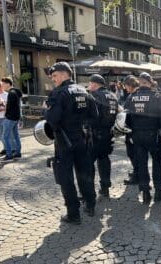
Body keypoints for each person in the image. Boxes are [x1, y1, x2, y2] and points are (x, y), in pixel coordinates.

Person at [45, 62, 99, 223]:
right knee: (85, 172)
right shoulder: (84, 91)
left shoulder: (58, 93)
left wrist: (45, 110)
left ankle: (73, 213)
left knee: (65, 177)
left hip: (64, 141)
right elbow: (94, 116)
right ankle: (90, 204)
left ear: (64, 74)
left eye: (54, 76)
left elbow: (53, 120)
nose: (53, 80)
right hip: (83, 139)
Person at [125, 72, 161, 204]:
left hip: (137, 136)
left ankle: (145, 193)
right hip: (153, 135)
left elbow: (126, 117)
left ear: (139, 83)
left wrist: (131, 134)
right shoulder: (158, 97)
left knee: (142, 163)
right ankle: (159, 191)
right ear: (150, 83)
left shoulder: (131, 97)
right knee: (158, 162)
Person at [89, 74, 118, 198]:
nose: (88, 87)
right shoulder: (113, 95)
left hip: (95, 133)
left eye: (89, 84)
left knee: (88, 163)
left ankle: (89, 191)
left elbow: (91, 115)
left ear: (95, 84)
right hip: (108, 132)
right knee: (104, 159)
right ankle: (105, 187)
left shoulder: (95, 96)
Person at [122, 75, 140, 185]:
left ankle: (137, 175)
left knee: (133, 153)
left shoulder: (132, 96)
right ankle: (136, 172)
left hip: (132, 129)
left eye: (125, 86)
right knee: (136, 153)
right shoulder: (139, 94)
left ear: (129, 85)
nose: (125, 89)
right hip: (138, 128)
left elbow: (128, 112)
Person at [0, 77, 23, 162]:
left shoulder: (11, 93)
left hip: (10, 118)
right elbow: (16, 106)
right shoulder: (16, 92)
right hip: (16, 117)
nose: (2, 86)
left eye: (3, 84)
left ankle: (9, 155)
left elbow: (9, 107)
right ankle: (18, 153)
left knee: (5, 137)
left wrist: (3, 105)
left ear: (8, 84)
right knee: (16, 136)